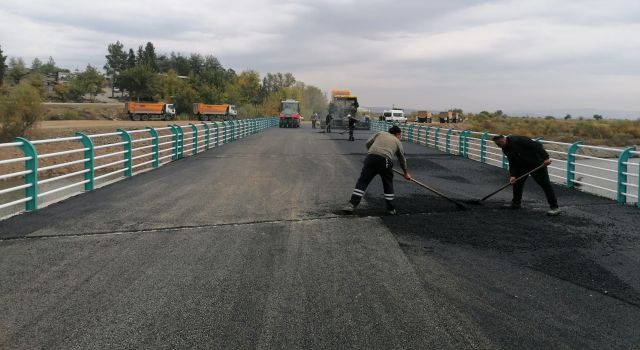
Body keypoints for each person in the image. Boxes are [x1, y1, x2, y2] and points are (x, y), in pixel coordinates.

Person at [343, 125, 411, 215]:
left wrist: (374, 153)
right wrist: (406, 173)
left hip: (370, 158)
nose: (400, 137)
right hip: (385, 160)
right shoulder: (397, 142)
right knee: (387, 183)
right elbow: (402, 159)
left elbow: (368, 143)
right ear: (397, 134)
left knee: (363, 181)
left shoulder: (381, 133)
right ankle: (390, 209)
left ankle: (351, 205)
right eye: (400, 135)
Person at [492, 135, 560, 216]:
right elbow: (512, 162)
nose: (498, 146)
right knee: (517, 183)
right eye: (497, 145)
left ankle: (555, 208)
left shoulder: (519, 139)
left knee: (545, 185)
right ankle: (516, 203)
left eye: (499, 144)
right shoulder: (505, 148)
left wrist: (546, 158)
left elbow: (537, 145)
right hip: (522, 166)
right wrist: (513, 175)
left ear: (502, 140)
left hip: (537, 164)